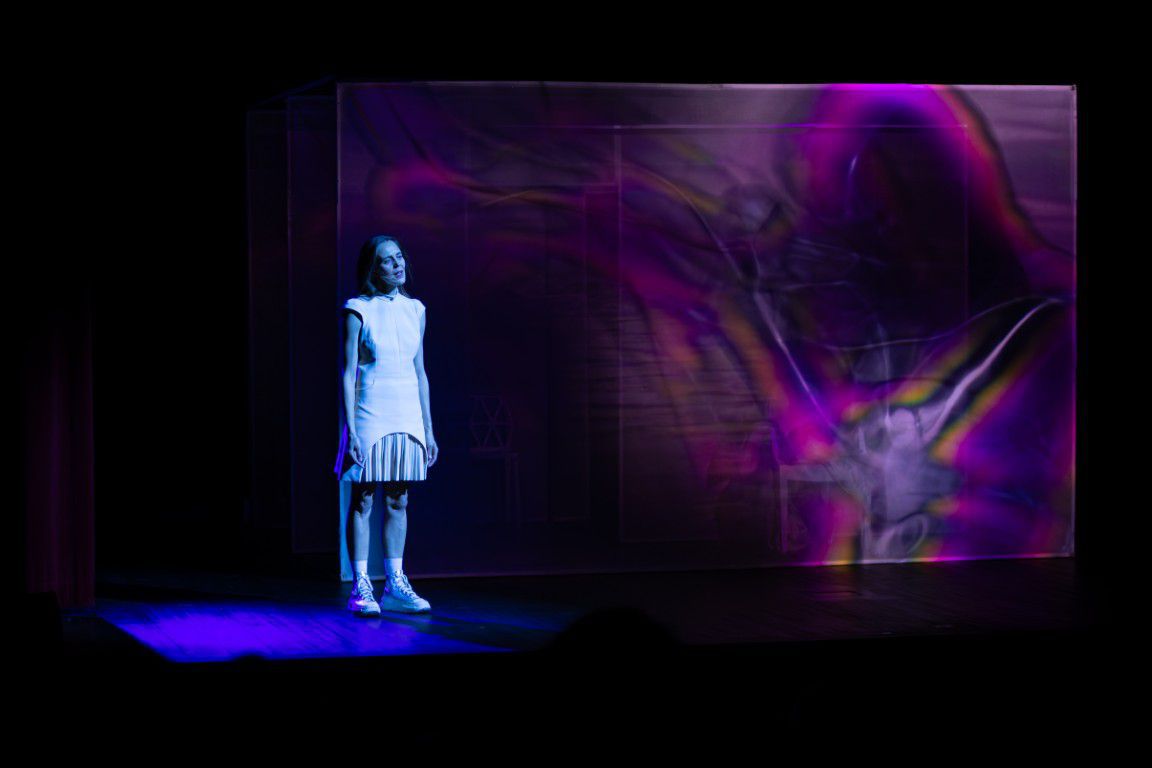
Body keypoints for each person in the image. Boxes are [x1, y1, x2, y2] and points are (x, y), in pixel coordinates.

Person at [335, 235, 439, 615]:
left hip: (406, 412)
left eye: (399, 257)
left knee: (399, 498)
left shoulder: (415, 310)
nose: (397, 265)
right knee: (363, 498)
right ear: (372, 268)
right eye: (387, 260)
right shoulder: (357, 309)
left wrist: (428, 428)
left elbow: (420, 371)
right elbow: (348, 372)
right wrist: (351, 428)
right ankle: (361, 584)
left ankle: (395, 582)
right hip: (370, 412)